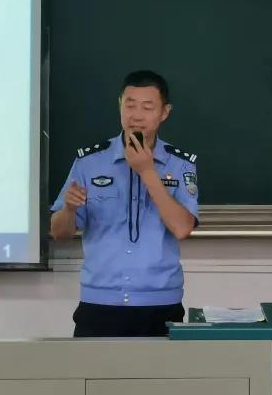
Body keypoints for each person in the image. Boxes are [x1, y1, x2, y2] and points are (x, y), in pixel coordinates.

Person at [50, 70, 199, 337]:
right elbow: (59, 233)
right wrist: (69, 209)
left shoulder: (180, 164)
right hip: (99, 304)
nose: (136, 115)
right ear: (120, 105)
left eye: (147, 107)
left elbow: (182, 228)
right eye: (130, 105)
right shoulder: (89, 162)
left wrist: (147, 171)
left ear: (164, 112)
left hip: (160, 305)